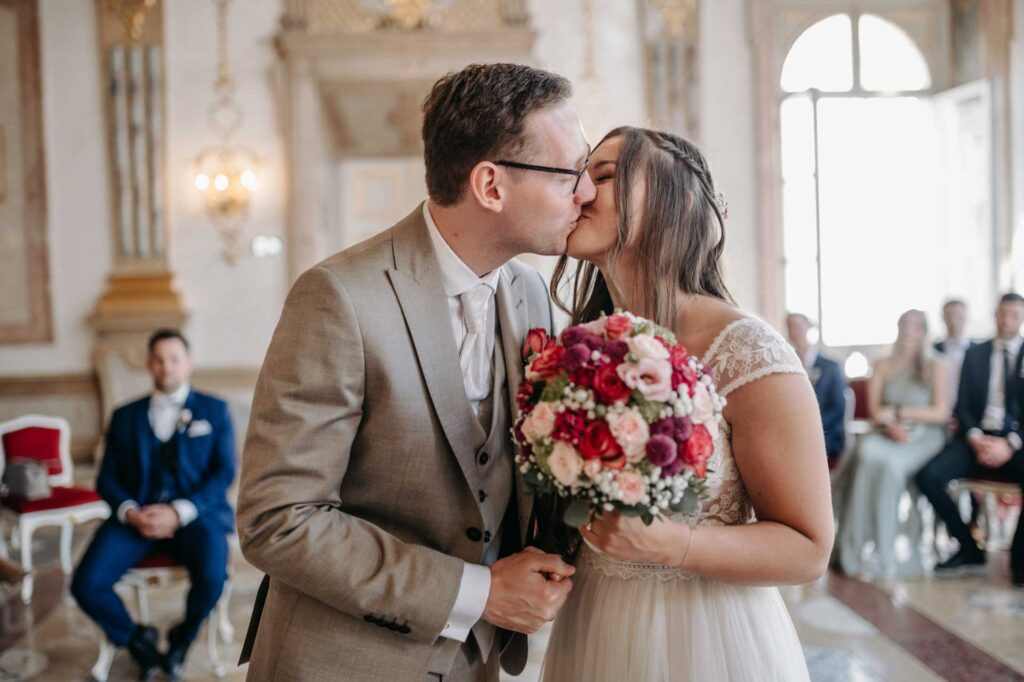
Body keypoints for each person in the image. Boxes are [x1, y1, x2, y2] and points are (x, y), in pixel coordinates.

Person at [235, 63, 591, 682]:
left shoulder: (530, 292)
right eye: (570, 172)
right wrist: (477, 593)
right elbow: (278, 520)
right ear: (490, 185)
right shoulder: (339, 297)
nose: (584, 192)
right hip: (342, 661)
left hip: (476, 662)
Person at [539, 127, 833, 681]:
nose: (580, 191)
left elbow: (808, 549)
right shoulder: (581, 348)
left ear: (679, 202)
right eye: (582, 176)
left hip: (709, 639)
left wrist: (670, 542)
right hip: (597, 625)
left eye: (603, 176)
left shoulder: (747, 350)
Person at [71, 330, 235, 681]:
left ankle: (181, 640)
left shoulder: (215, 411)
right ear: (149, 364)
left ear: (188, 363)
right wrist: (130, 511)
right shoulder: (124, 416)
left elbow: (224, 474)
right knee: (85, 583)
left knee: (212, 576)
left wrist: (179, 511)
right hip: (137, 518)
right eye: (158, 359)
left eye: (174, 358)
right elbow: (107, 479)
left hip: (196, 517)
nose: (166, 366)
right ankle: (137, 641)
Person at [916, 293, 1024, 587]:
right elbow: (962, 406)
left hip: (1015, 442)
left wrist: (1010, 443)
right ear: (995, 315)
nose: (1007, 320)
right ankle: (968, 546)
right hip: (975, 437)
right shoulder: (976, 353)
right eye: (1002, 314)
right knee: (928, 476)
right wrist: (976, 437)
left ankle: (1019, 559)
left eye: (1014, 315)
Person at [837, 310, 949, 578]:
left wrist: (900, 413)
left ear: (924, 332)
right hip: (886, 430)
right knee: (865, 452)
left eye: (915, 327)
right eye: (905, 326)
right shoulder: (883, 364)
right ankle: (857, 544)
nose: (909, 332)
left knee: (889, 466)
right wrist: (890, 425)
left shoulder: (936, 365)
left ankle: (887, 549)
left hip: (925, 436)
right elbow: (875, 410)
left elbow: (940, 412)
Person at [786, 312, 847, 464]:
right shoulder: (786, 365)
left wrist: (810, 426)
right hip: (792, 430)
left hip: (824, 433)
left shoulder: (831, 367)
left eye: (798, 326)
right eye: (790, 327)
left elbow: (838, 407)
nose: (794, 331)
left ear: (808, 327)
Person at [933, 298, 975, 411]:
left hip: (969, 411)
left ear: (966, 318)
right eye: (949, 316)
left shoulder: (979, 352)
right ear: (943, 318)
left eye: (959, 316)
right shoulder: (933, 350)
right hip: (940, 409)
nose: (954, 321)